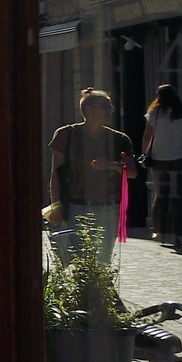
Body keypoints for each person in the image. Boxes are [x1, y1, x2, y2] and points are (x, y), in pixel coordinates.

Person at [44, 87, 134, 265]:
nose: (110, 112)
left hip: (109, 208)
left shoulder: (120, 139)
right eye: (106, 108)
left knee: (103, 260)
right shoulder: (66, 135)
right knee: (78, 259)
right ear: (89, 110)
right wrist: (56, 205)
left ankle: (99, 292)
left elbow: (132, 172)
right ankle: (82, 292)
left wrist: (113, 164)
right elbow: (56, 172)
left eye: (110, 108)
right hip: (77, 205)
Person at [142, 78, 182, 251]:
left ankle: (159, 231)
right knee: (177, 197)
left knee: (161, 195)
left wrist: (145, 154)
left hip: (159, 160)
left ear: (159, 96)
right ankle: (177, 234)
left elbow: (147, 136)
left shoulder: (155, 114)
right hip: (180, 159)